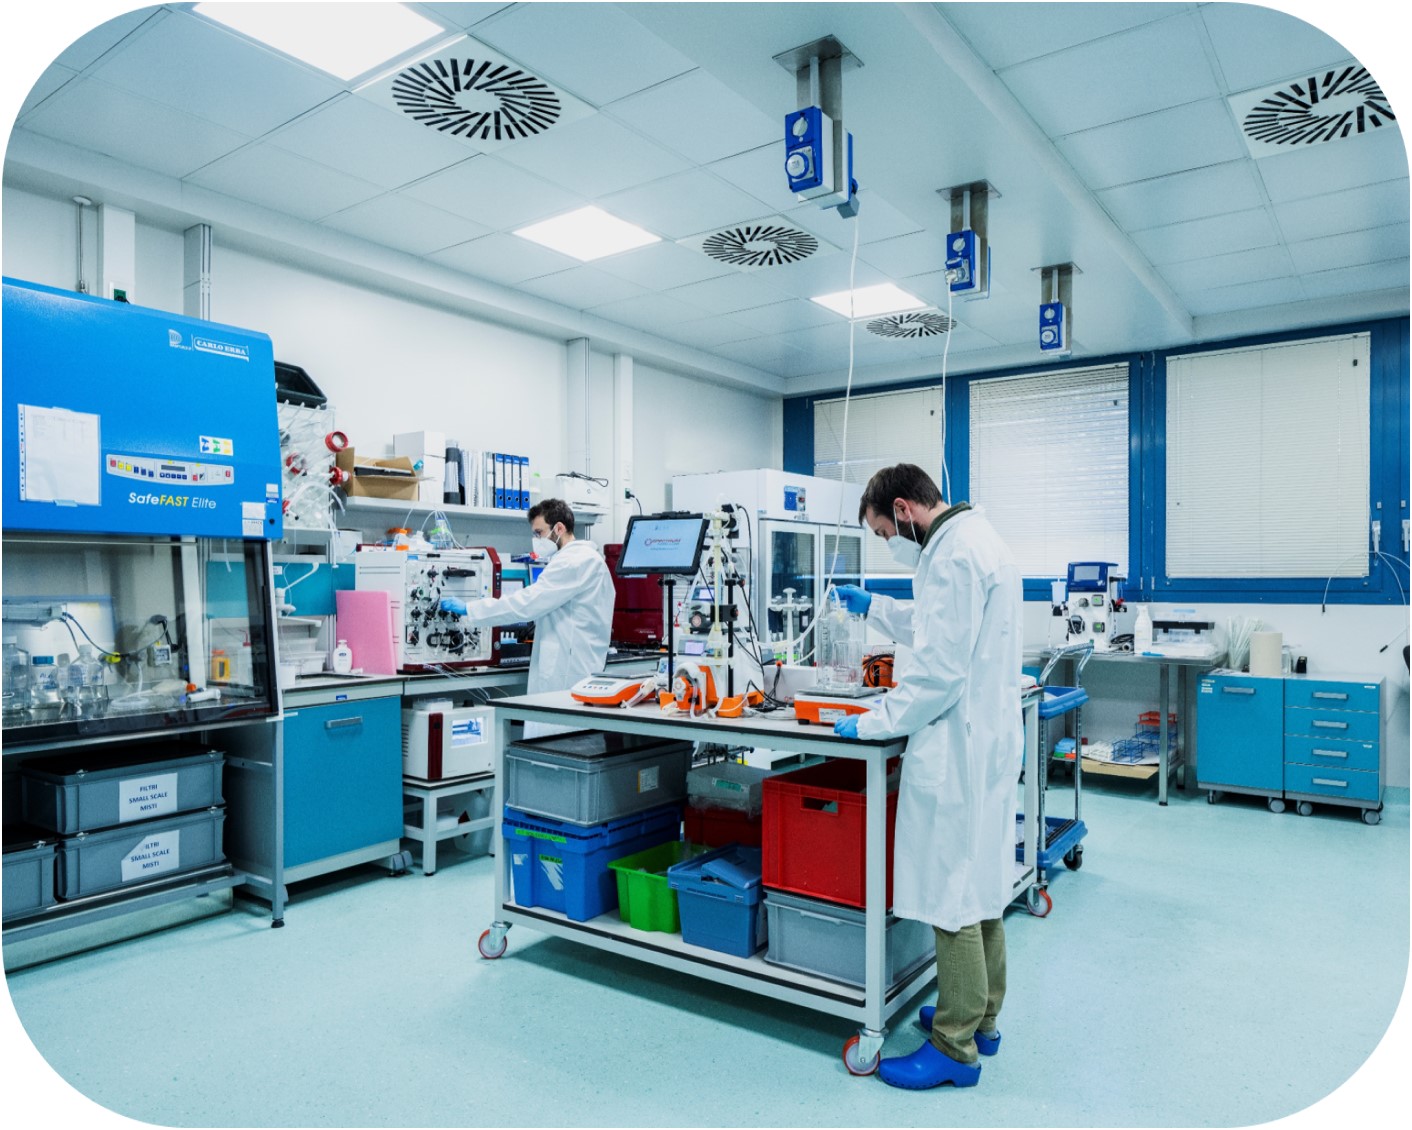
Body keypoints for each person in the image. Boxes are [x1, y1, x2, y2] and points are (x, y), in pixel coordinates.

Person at [831, 463, 1022, 1091]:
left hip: (957, 742)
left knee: (951, 888)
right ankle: (982, 1018)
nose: (890, 542)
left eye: (885, 532)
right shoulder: (977, 540)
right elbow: (937, 627)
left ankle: (953, 1046)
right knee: (983, 878)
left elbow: (938, 671)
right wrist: (876, 609)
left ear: (904, 510)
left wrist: (875, 721)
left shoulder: (951, 555)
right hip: (988, 739)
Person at [442, 499, 615, 736]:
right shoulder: (590, 559)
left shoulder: (573, 562)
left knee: (556, 739)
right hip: (580, 664)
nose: (536, 539)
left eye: (539, 532)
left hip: (566, 671)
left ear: (559, 528)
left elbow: (525, 605)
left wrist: (470, 609)